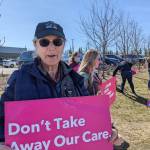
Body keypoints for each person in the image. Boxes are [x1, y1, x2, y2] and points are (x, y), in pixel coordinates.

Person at [0, 20, 89, 149]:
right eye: (44, 42)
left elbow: (91, 114)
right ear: (35, 45)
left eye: (57, 42)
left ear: (64, 45)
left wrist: (108, 130)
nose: (51, 47)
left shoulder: (76, 80)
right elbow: (2, 117)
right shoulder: (19, 78)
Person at [79, 50, 129, 150]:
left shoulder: (94, 73)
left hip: (99, 113)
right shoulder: (83, 76)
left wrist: (111, 85)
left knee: (120, 143)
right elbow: (82, 100)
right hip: (91, 118)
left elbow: (99, 88)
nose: (100, 61)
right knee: (119, 144)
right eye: (98, 59)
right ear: (91, 59)